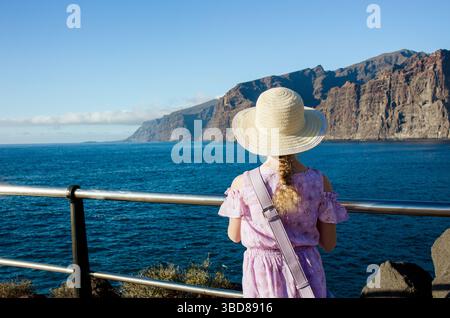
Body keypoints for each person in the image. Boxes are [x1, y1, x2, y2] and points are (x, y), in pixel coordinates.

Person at [218, 87, 348, 298]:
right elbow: (329, 243)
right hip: (307, 273)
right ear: (301, 135)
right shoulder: (319, 182)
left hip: (261, 275)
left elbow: (234, 236)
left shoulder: (242, 183)